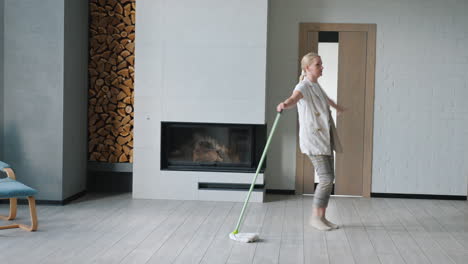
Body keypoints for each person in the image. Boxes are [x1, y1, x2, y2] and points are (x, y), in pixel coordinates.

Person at [277, 52, 345, 231]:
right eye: (318, 65)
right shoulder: (303, 85)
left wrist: (336, 107)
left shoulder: (315, 85)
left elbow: (326, 99)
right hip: (314, 140)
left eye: (321, 64)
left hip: (324, 136)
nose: (322, 67)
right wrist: (285, 104)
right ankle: (316, 218)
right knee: (326, 178)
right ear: (307, 68)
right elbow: (294, 98)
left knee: (329, 179)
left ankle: (322, 217)